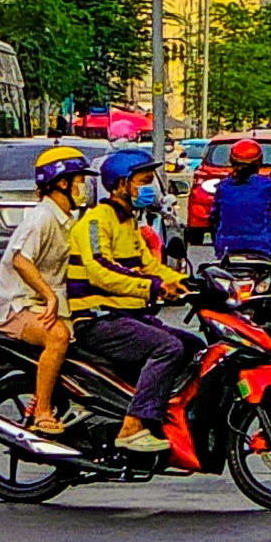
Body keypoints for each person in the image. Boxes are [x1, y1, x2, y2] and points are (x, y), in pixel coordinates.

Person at [64, 144, 199, 455]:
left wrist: (184, 282)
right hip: (98, 318)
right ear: (121, 184)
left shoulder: (129, 223)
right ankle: (132, 426)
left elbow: (146, 264)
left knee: (193, 347)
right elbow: (101, 270)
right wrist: (152, 287)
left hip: (125, 316)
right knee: (168, 347)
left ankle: (160, 418)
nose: (148, 188)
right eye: (142, 180)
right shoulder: (97, 221)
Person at [0, 143, 91, 432]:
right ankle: (42, 413)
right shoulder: (43, 218)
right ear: (62, 183)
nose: (83, 188)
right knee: (57, 337)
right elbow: (22, 260)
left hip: (40, 305)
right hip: (17, 307)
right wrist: (48, 295)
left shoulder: (65, 219)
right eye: (80, 181)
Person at [209, 132, 271, 313]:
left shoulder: (223, 186)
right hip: (265, 244)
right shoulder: (267, 185)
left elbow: (213, 217)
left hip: (227, 248)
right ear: (259, 162)